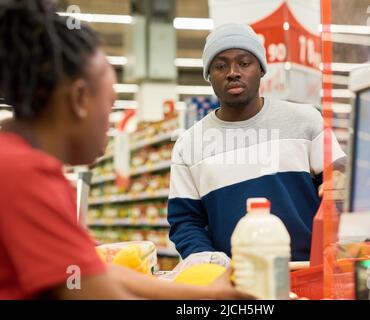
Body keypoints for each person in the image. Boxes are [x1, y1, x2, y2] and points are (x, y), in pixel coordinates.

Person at [0, 0, 252, 300]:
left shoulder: (16, 162)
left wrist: (207, 296)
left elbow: (92, 269)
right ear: (80, 99)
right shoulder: (24, 175)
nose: (111, 123)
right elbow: (98, 293)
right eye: (110, 104)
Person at [168, 23, 347, 263]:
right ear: (209, 76)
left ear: (261, 70)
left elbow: (339, 192)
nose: (233, 72)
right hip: (233, 283)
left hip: (308, 272)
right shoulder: (188, 146)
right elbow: (186, 222)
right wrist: (212, 265)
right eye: (220, 65)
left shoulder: (306, 120)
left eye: (244, 63)